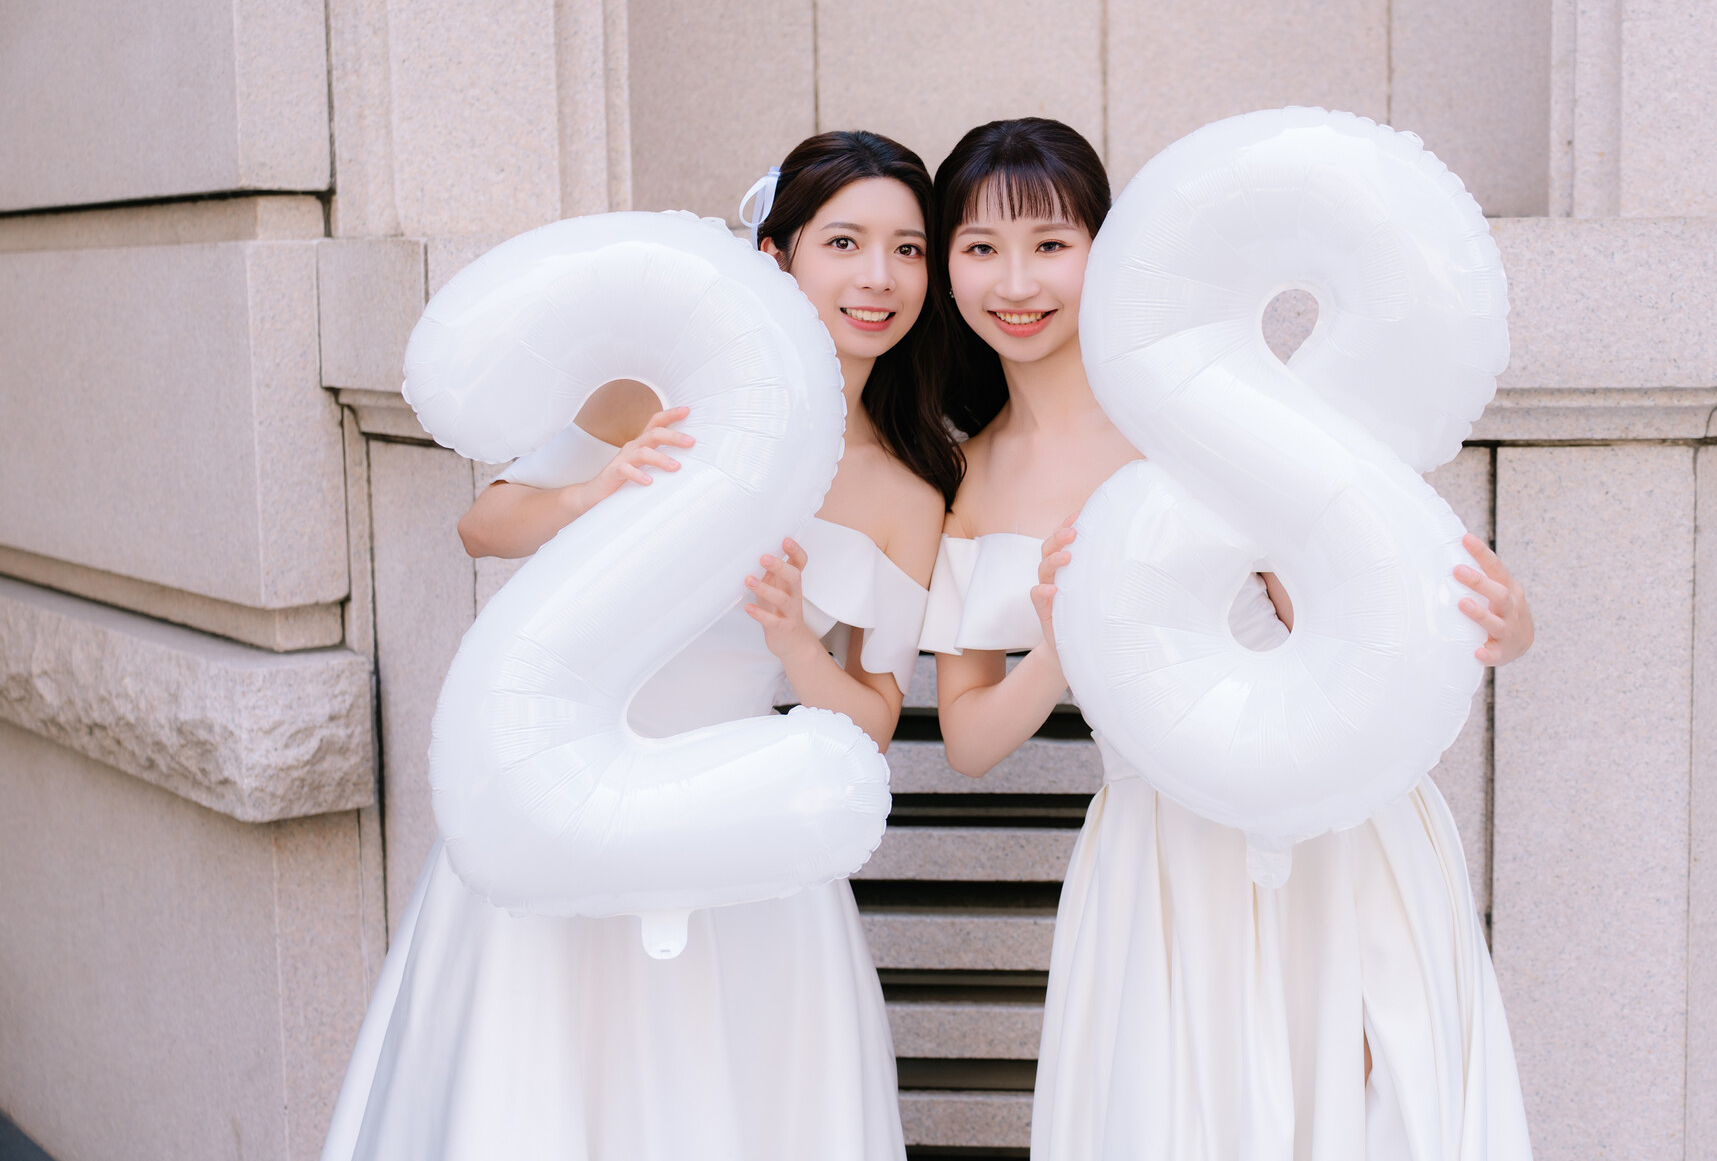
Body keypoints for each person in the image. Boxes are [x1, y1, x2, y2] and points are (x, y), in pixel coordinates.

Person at [322, 130, 956, 1161]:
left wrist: (797, 645)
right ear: (776, 255)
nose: (878, 276)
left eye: (908, 249)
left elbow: (874, 720)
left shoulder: (910, 492)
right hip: (560, 801)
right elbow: (483, 525)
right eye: (844, 242)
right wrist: (597, 491)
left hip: (736, 833)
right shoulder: (661, 399)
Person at [918, 117, 1536, 1160]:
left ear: (1111, 249)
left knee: (1363, 1114)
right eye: (981, 247)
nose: (1016, 281)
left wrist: (1503, 625)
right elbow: (971, 738)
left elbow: (1356, 607)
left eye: (1051, 244)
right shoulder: (965, 479)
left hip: (1334, 818)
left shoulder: (1207, 414)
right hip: (1163, 856)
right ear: (947, 265)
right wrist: (1066, 646)